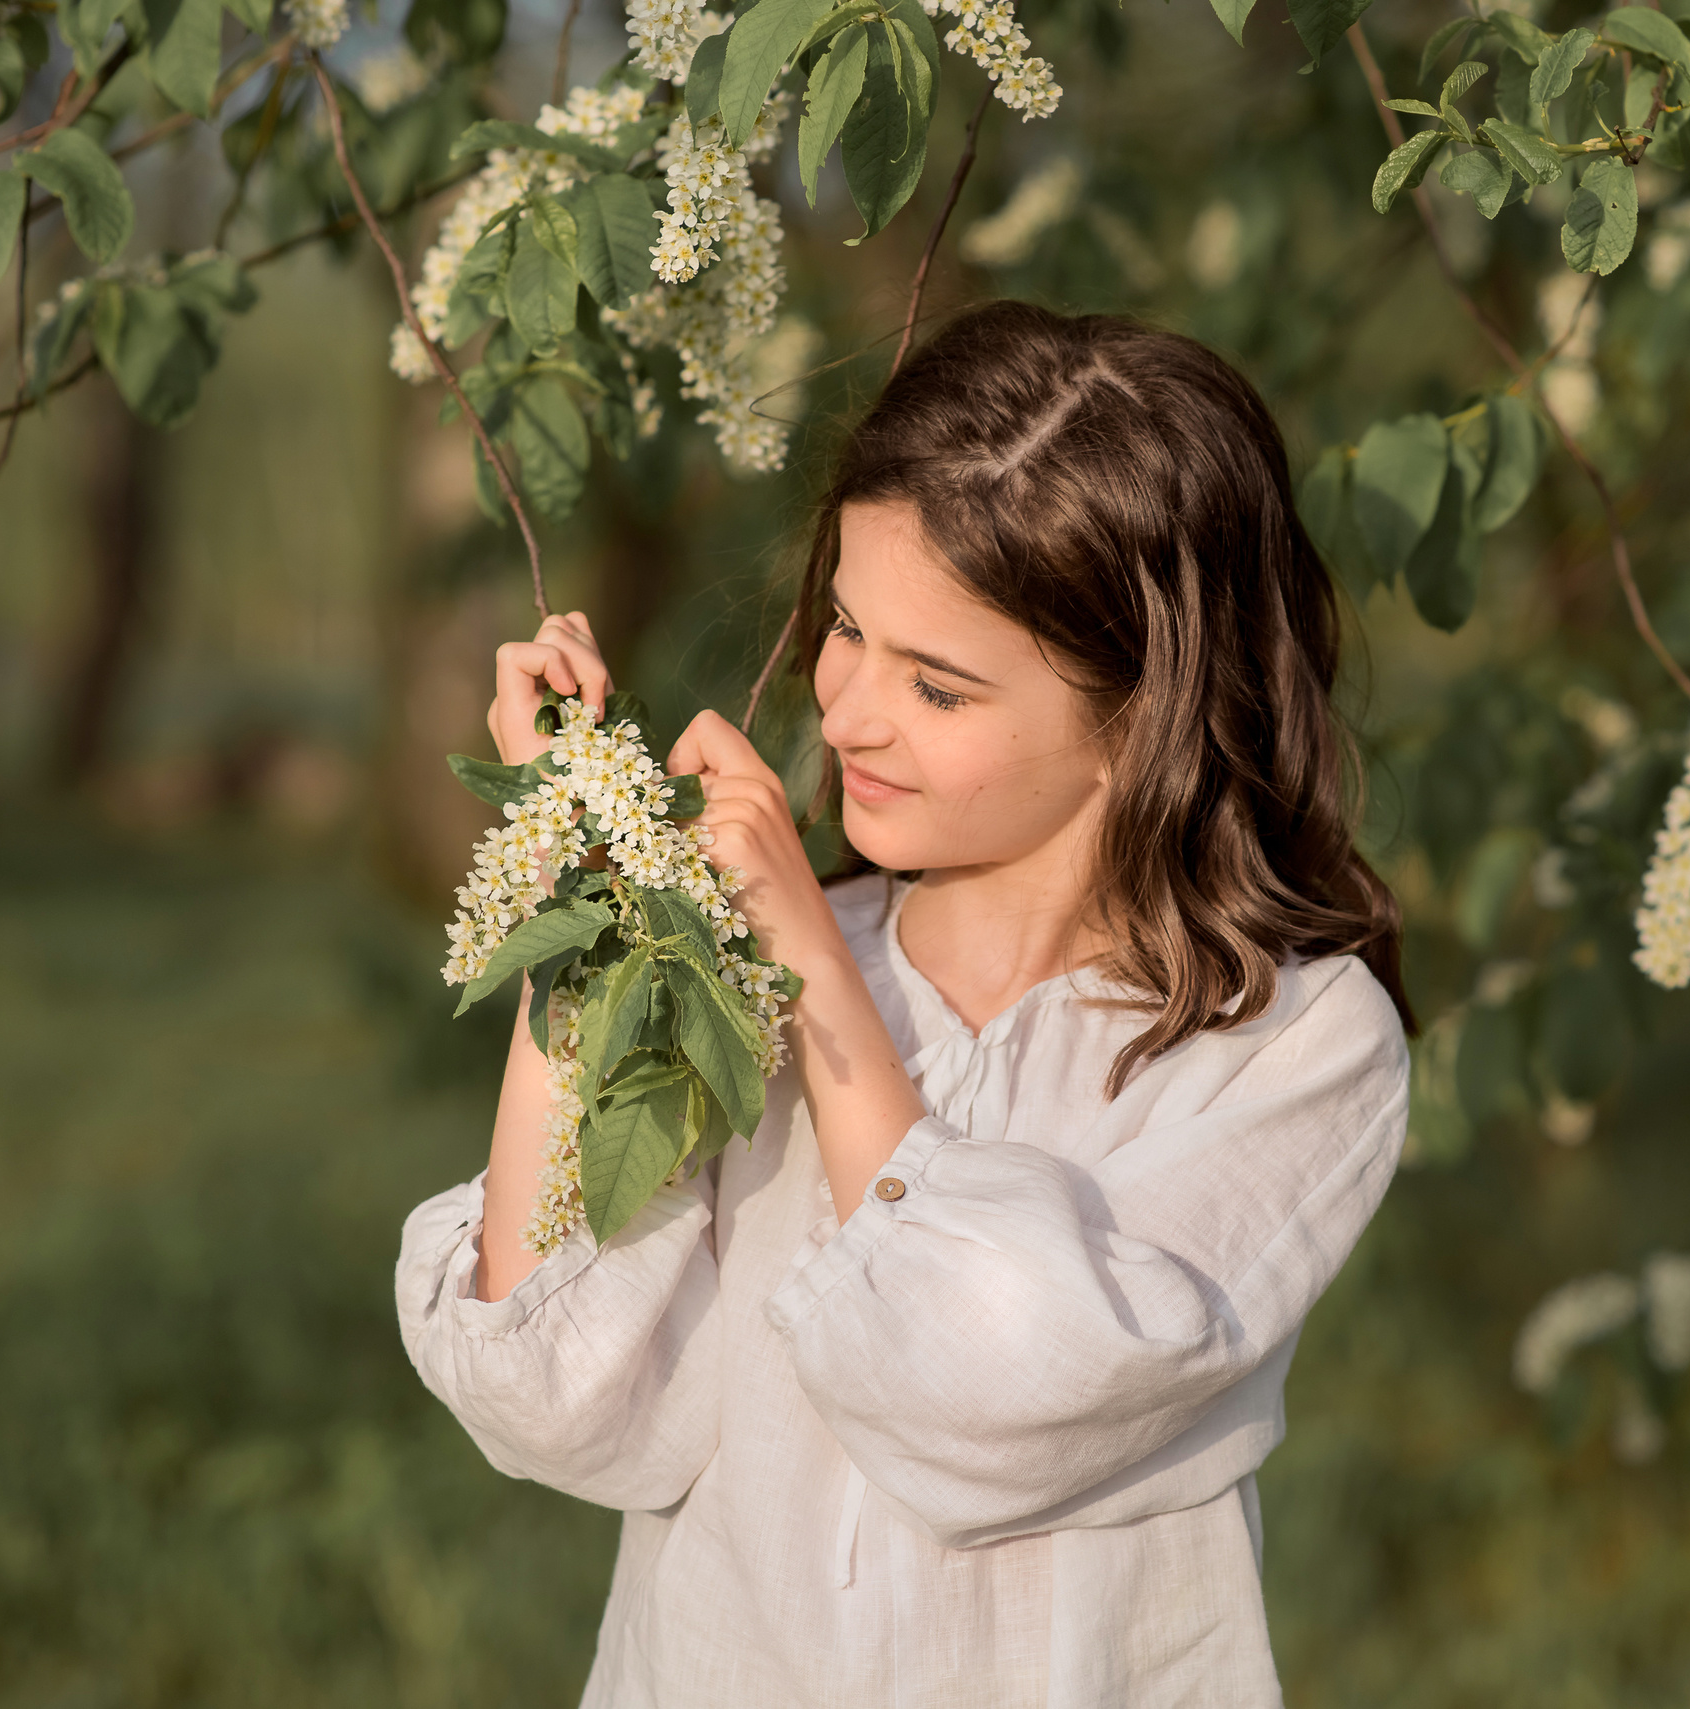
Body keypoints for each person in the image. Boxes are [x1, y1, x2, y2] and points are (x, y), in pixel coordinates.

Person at [395, 299, 1418, 1707]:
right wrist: (582, 891)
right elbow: (562, 1397)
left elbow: (999, 1381)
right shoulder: (731, 964)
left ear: (1147, 717)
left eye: (936, 685)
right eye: (846, 629)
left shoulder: (1293, 1044)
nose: (849, 710)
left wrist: (812, 970)